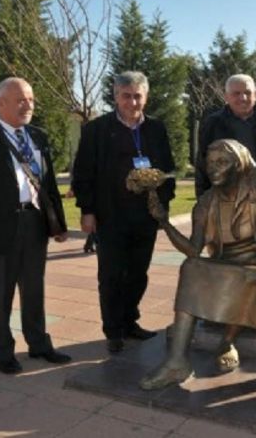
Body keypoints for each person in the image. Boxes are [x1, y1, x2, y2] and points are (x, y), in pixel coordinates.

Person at [139, 139, 256, 390]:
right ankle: (177, 361)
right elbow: (193, 250)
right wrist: (165, 223)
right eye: (210, 163)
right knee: (190, 267)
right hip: (225, 265)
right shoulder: (206, 202)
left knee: (246, 276)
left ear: (240, 164)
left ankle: (226, 341)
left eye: (222, 162)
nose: (214, 168)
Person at [0, 77, 71, 374]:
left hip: (34, 222)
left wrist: (57, 223)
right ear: (1, 104)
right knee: (0, 293)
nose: (28, 105)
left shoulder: (38, 136)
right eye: (20, 100)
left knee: (34, 289)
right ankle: (2, 351)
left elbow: (47, 184)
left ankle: (39, 344)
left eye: (31, 100)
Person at [72, 71, 176, 354]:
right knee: (111, 274)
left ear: (146, 96)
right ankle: (113, 329)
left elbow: (168, 168)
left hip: (145, 215)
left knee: (138, 273)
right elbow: (83, 173)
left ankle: (130, 321)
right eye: (126, 96)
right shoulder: (96, 129)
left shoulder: (156, 128)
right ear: (116, 97)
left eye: (137, 96)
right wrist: (87, 210)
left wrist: (163, 203)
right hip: (110, 215)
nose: (132, 102)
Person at [195, 74, 256, 197]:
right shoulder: (212, 124)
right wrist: (203, 201)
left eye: (248, 92)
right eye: (236, 93)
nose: (243, 98)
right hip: (228, 200)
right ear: (226, 97)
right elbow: (202, 167)